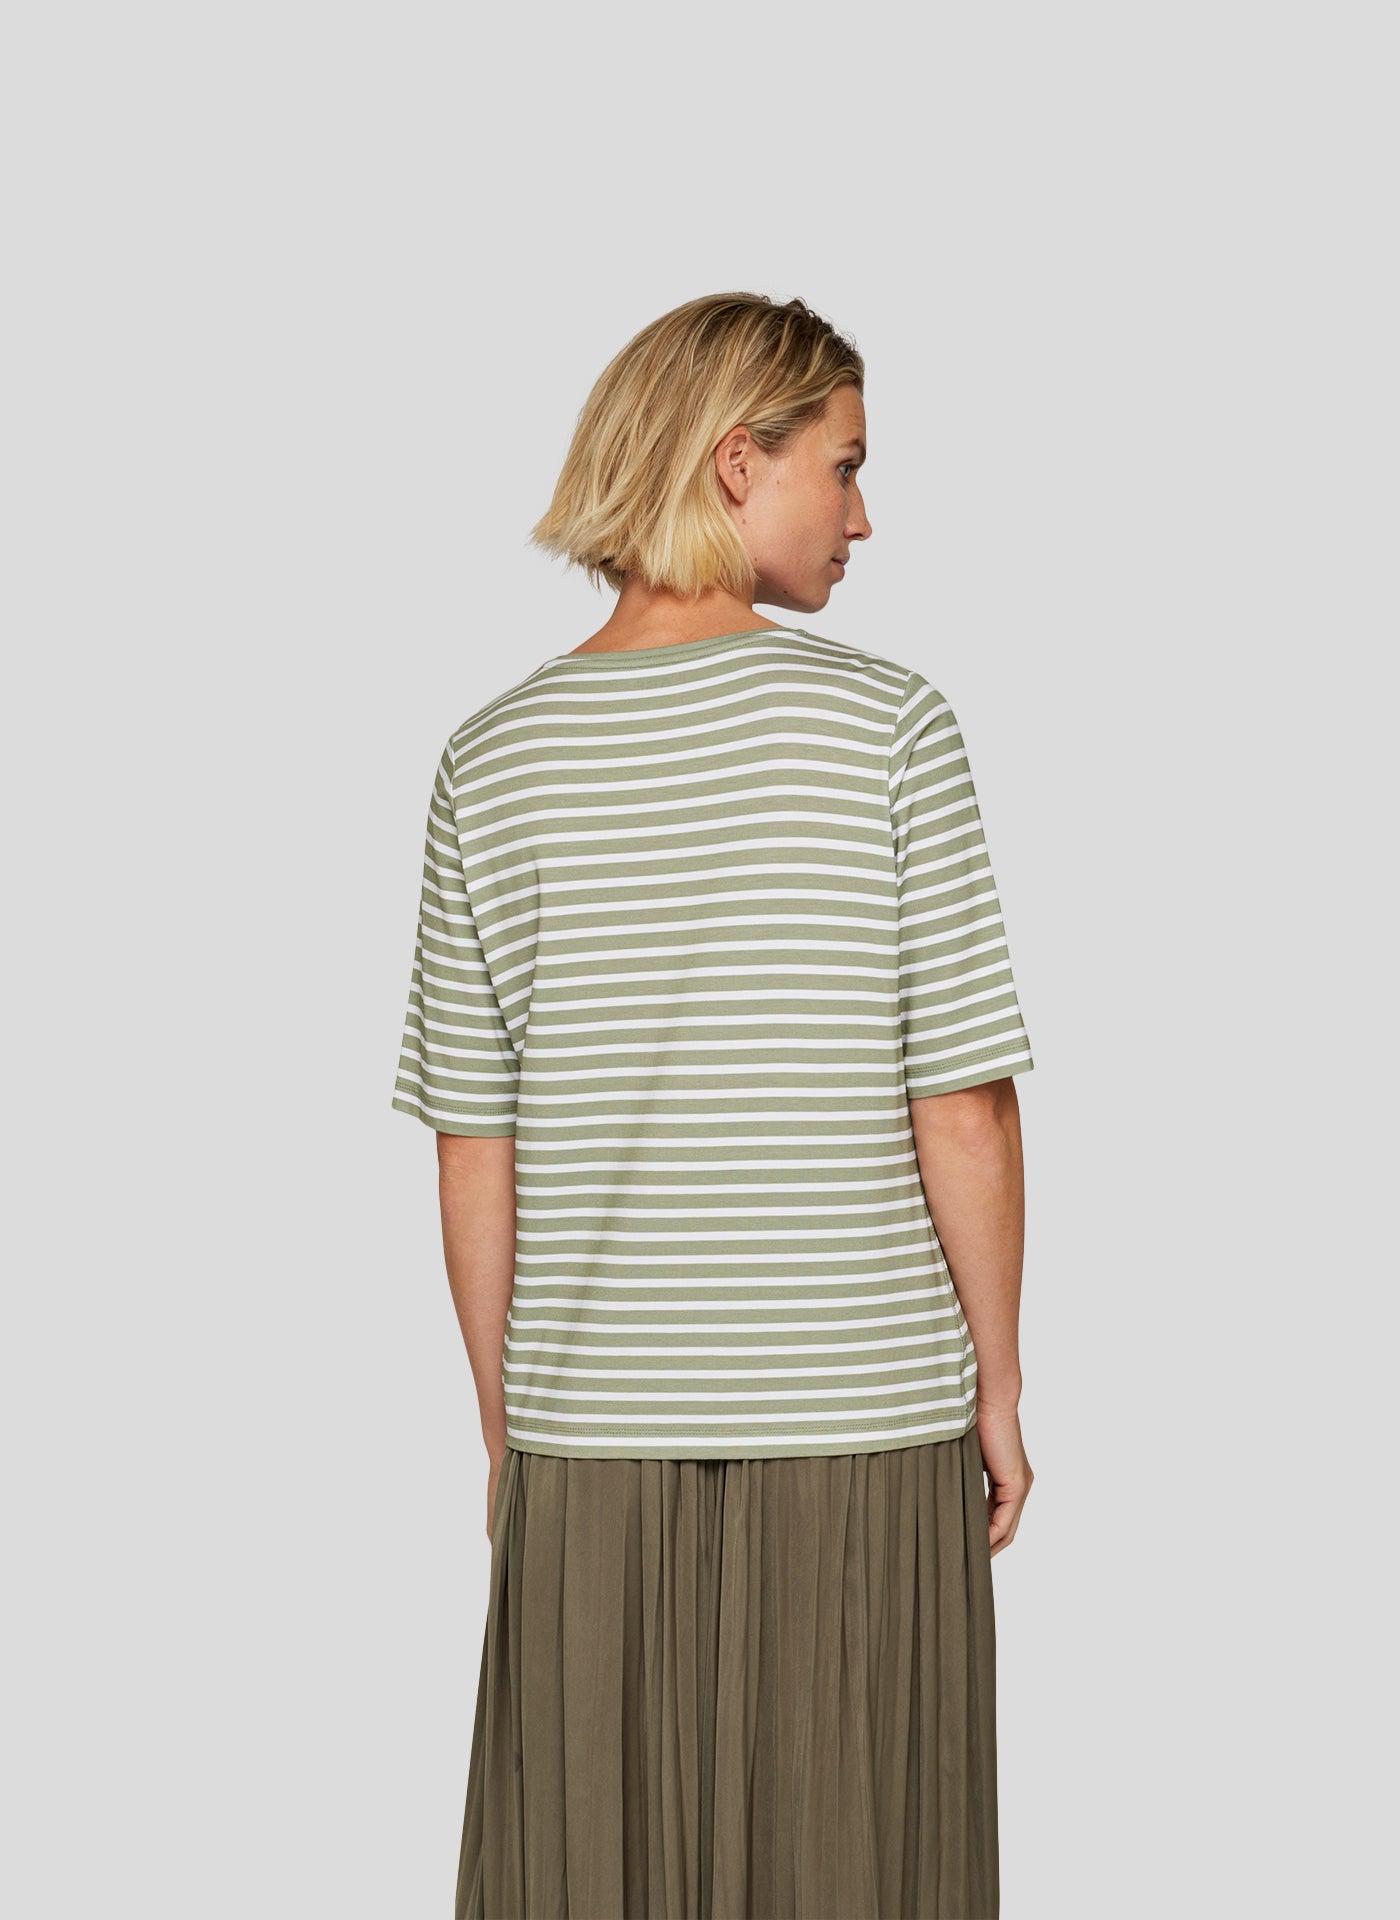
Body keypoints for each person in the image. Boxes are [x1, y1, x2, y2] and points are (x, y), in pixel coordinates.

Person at [391, 291, 1035, 1920]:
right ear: (738, 464)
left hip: (591, 1432)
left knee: (591, 1874)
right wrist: (1002, 1382)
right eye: (847, 466)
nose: (864, 516)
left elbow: (476, 1149)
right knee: (862, 1868)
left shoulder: (490, 759)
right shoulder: (891, 727)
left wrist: (508, 1429)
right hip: (861, 1422)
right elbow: (962, 1104)